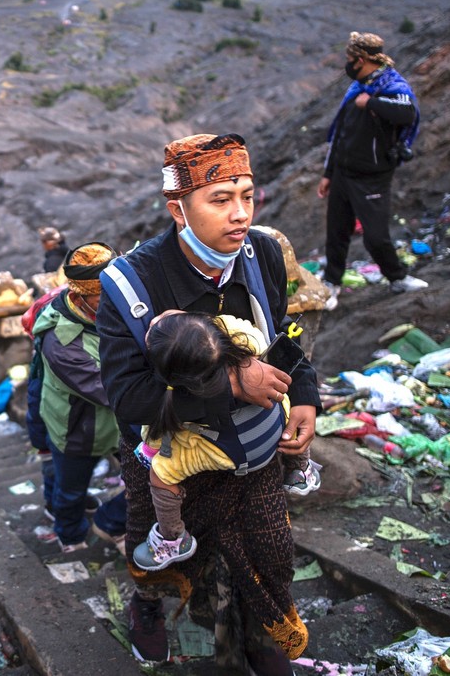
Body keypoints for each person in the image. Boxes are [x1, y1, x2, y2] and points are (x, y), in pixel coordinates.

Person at [96, 133, 319, 670]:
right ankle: (148, 606)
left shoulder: (261, 253)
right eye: (220, 199)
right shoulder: (131, 285)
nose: (240, 214)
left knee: (269, 549)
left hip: (252, 446)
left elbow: (280, 337)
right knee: (162, 552)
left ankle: (266, 635)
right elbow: (130, 398)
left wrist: (306, 392)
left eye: (247, 194)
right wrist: (233, 387)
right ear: (178, 209)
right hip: (169, 458)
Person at [132, 311, 321, 572]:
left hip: (234, 452)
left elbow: (159, 430)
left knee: (161, 471)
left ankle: (172, 538)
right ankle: (301, 469)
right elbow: (238, 324)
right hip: (273, 429)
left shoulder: (180, 396)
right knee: (284, 400)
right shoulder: (248, 339)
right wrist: (198, 321)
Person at [318, 31, 427, 309]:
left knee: (376, 235)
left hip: (372, 176)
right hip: (343, 171)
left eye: (350, 59)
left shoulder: (391, 85)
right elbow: (340, 134)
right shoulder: (357, 87)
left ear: (362, 59)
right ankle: (331, 282)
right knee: (336, 232)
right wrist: (328, 174)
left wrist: (372, 103)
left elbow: (407, 113)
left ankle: (397, 278)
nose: (348, 64)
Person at [31, 242, 128, 554]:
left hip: (113, 424)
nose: (115, 302)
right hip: (77, 428)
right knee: (70, 488)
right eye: (104, 296)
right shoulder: (61, 341)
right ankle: (70, 534)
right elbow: (107, 389)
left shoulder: (108, 314)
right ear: (81, 296)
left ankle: (98, 516)